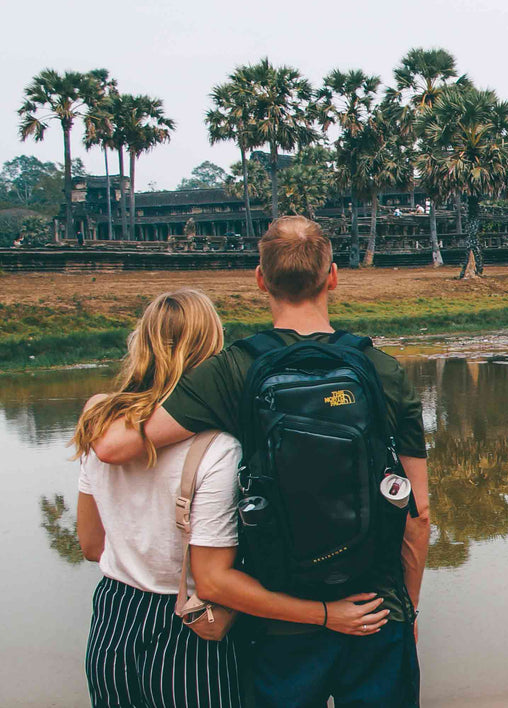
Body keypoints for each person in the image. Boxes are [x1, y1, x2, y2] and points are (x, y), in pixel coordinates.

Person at [94, 217, 431, 707]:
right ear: (333, 276)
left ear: (260, 279)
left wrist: (97, 409)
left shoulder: (233, 368)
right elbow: (417, 516)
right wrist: (407, 610)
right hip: (378, 610)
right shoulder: (382, 371)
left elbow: (116, 447)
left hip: (279, 618)